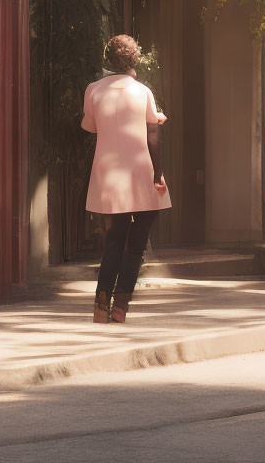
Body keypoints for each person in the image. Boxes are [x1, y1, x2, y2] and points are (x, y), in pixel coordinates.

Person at [82, 34, 170, 323]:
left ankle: (100, 303)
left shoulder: (93, 90)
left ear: (109, 59)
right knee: (136, 245)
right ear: (135, 60)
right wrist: (158, 174)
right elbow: (153, 137)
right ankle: (120, 306)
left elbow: (90, 127)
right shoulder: (143, 92)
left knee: (114, 240)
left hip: (109, 175)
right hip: (141, 173)